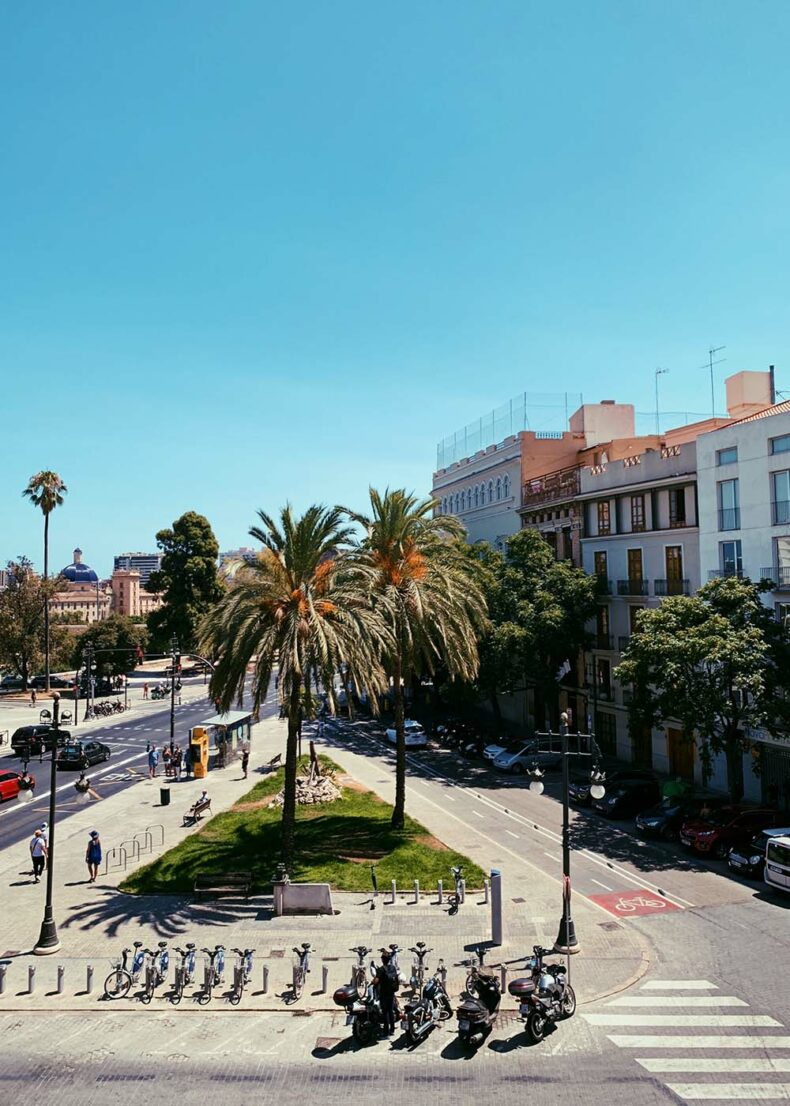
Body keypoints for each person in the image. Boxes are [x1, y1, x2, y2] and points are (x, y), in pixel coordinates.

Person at [373, 950, 399, 1036]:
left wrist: (373, 982)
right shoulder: (393, 967)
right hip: (391, 993)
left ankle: (385, 1031)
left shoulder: (381, 970)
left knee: (385, 1013)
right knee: (391, 1011)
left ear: (383, 960)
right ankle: (392, 1029)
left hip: (383, 994)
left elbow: (376, 981)